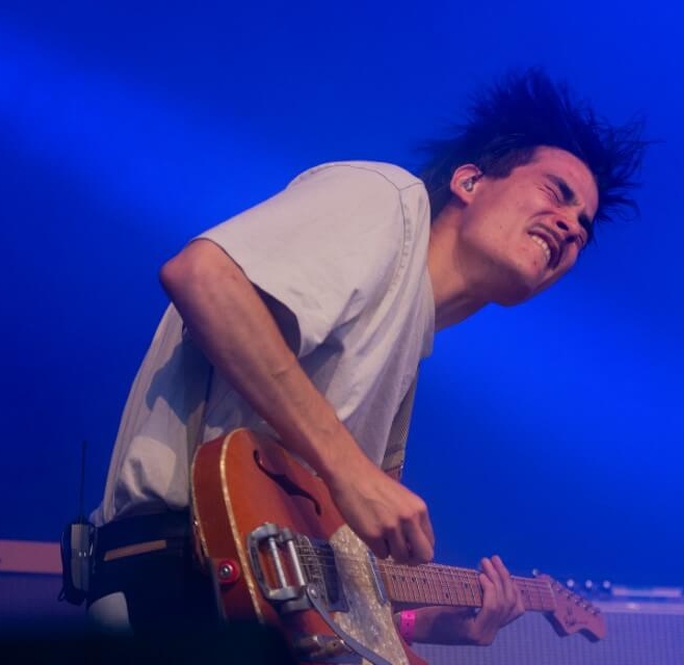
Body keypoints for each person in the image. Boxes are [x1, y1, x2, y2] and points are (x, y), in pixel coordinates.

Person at [82, 67, 646, 648]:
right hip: (179, 585)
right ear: (469, 181)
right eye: (556, 193)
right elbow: (203, 276)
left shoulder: (410, 336)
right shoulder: (386, 200)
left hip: (247, 604)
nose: (570, 227)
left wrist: (425, 624)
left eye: (583, 228)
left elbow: (319, 557)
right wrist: (352, 473)